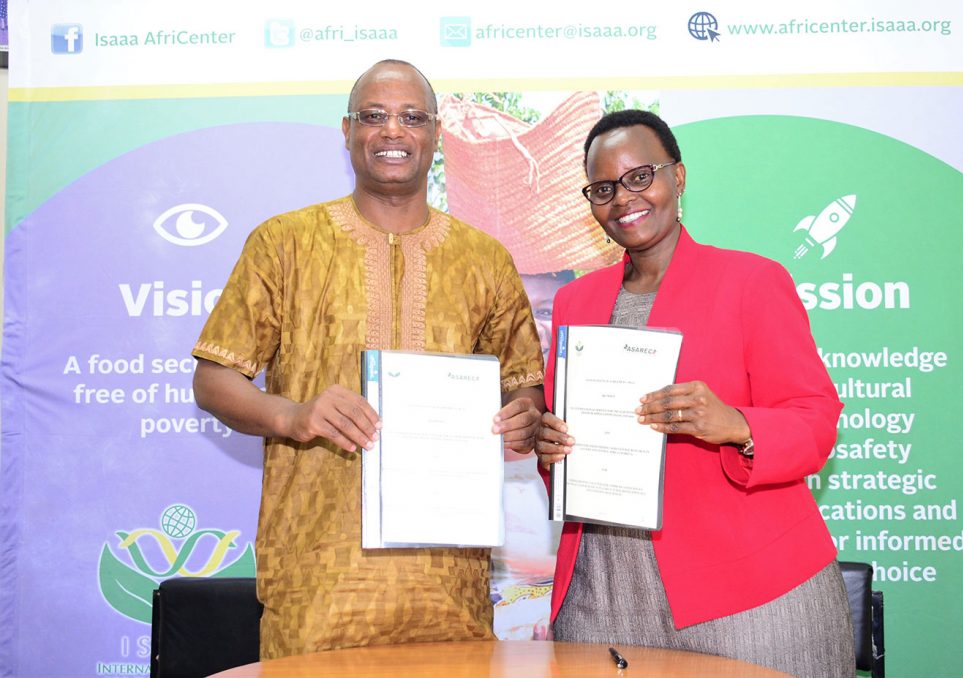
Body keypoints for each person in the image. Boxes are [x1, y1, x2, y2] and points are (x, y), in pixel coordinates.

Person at [192, 59, 545, 660]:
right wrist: (292, 416)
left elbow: (524, 387)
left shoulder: (484, 258)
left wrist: (523, 417)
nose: (392, 132)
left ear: (435, 135)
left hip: (448, 588)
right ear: (347, 129)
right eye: (374, 116)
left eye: (412, 118)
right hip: (317, 582)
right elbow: (213, 378)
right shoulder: (284, 242)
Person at [535, 110, 855, 678]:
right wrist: (550, 446)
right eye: (604, 188)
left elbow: (815, 420)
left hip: (746, 593)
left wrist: (733, 423)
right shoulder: (574, 303)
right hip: (600, 594)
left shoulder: (751, 282)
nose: (623, 199)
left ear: (678, 177)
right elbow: (573, 451)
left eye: (641, 176)